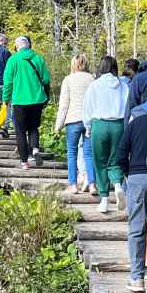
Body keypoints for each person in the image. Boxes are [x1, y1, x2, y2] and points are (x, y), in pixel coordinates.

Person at [116, 93, 147, 292]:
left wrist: (129, 174)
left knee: (136, 229)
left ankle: (137, 278)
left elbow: (120, 153)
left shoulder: (136, 123)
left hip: (137, 178)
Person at [83, 56, 129, 214]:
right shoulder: (123, 85)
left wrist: (87, 126)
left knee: (100, 161)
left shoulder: (94, 85)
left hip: (100, 125)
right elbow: (128, 107)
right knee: (115, 160)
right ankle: (117, 185)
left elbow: (88, 108)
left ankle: (103, 200)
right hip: (119, 125)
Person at [2, 36, 51, 169]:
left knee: (20, 131)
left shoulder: (13, 60)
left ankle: (24, 162)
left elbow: (8, 83)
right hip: (37, 100)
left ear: (17, 47)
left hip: (19, 101)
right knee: (33, 127)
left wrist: (5, 99)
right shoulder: (38, 59)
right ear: (29, 45)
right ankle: (35, 149)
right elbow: (46, 80)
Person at [55, 54, 96, 194]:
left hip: (73, 119)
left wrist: (58, 125)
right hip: (89, 120)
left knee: (72, 153)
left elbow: (64, 104)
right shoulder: (92, 79)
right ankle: (92, 184)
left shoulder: (68, 80)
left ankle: (72, 185)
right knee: (89, 154)